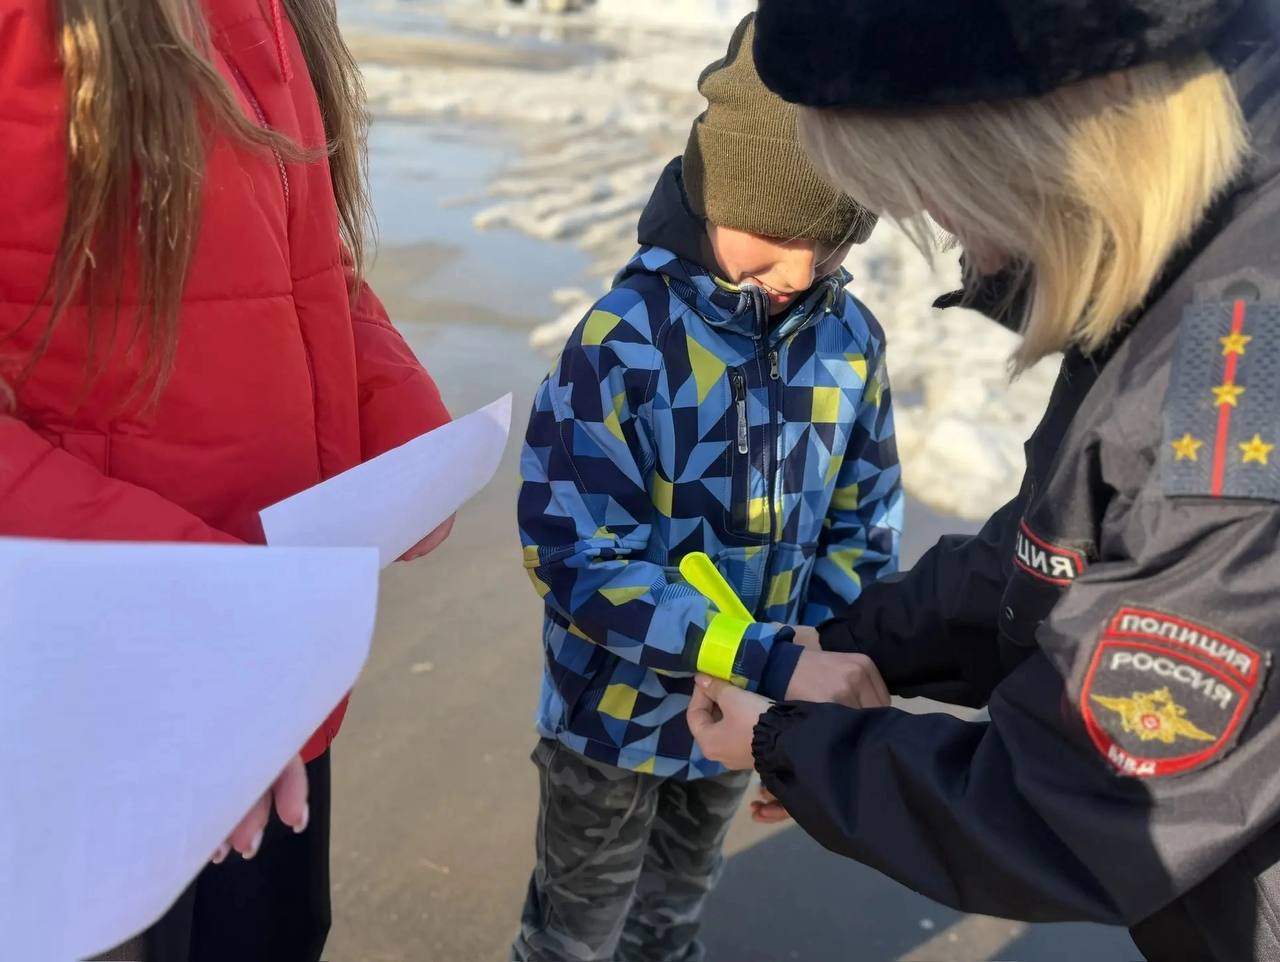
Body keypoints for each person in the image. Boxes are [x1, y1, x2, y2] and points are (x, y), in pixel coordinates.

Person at [688, 2, 1280, 960]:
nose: (954, 235)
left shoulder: (1242, 372)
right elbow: (1068, 547)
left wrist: (791, 748)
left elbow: (1101, 795)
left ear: (1014, 143)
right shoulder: (1202, 219)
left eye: (935, 197)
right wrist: (839, 642)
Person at [0, 2, 452, 960]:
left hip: (263, 696)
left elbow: (299, 263)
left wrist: (389, 400)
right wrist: (191, 609)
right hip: (81, 717)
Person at [511, 14, 900, 962]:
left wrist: (805, 709)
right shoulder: (622, 341)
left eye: (832, 243)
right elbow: (573, 558)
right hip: (612, 719)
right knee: (576, 930)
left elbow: (862, 532)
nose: (803, 268)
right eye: (779, 230)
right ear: (716, 185)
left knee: (674, 917)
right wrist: (765, 660)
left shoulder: (851, 344)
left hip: (750, 721)